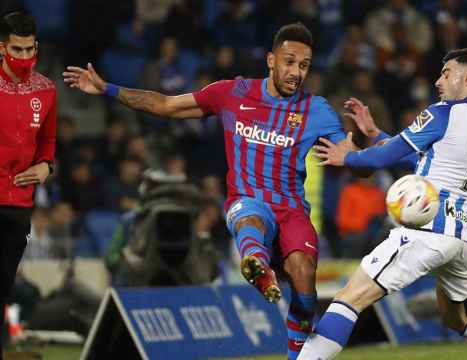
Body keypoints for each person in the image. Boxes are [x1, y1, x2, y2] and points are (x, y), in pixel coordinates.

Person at [64, 23, 373, 359]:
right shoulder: (233, 93)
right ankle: (256, 263)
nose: (296, 72)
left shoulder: (316, 110)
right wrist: (107, 88)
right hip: (247, 200)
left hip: (291, 210)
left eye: (304, 65)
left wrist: (361, 145)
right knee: (249, 219)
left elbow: (358, 164)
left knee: (304, 278)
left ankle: (295, 353)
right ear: (271, 60)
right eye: (289, 61)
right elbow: (165, 105)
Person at [299, 49, 467, 360]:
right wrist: (375, 133)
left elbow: (387, 156)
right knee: (459, 318)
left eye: (446, 72)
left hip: (428, 230)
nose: (438, 80)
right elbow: (427, 159)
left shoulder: (444, 112)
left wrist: (349, 157)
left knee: (349, 297)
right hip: (463, 237)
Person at [0, 12, 57, 355]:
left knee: (3, 289)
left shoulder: (46, 89)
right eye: (16, 50)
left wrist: (46, 167)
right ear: (1, 47)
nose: (24, 57)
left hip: (19, 202)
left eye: (29, 49)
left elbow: (48, 141)